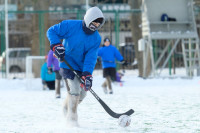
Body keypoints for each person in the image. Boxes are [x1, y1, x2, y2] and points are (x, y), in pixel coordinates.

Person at [46, 6, 105, 126]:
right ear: (88, 19)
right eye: (93, 23)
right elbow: (51, 31)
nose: (95, 26)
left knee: (83, 93)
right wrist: (56, 45)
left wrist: (87, 73)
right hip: (67, 63)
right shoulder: (70, 25)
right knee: (74, 90)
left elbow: (91, 57)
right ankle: (72, 118)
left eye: (98, 24)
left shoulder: (96, 38)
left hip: (82, 67)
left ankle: (66, 108)